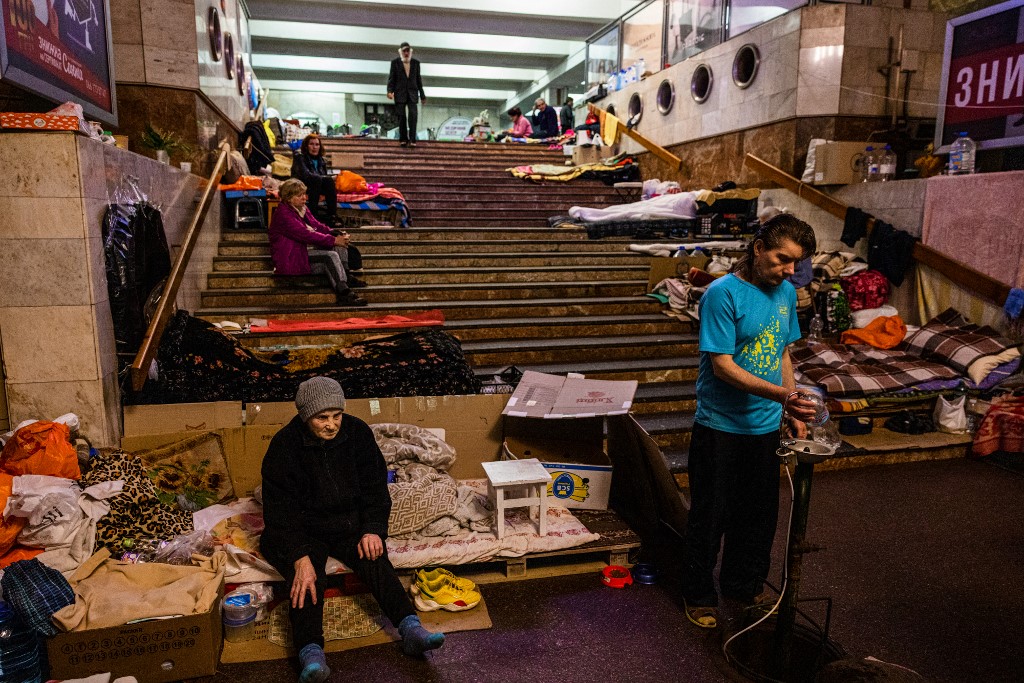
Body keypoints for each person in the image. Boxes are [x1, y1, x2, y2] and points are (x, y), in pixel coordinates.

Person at [679, 213, 819, 630]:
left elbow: (781, 352)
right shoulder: (722, 294)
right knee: (711, 516)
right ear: (758, 248)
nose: (789, 271)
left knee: (758, 518)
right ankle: (699, 593)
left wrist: (789, 408)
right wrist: (783, 396)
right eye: (781, 259)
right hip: (720, 428)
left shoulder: (786, 295)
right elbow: (721, 366)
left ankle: (743, 585)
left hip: (763, 428)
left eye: (796, 263)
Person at [261, 377, 445, 682]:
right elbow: (280, 510)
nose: (331, 424)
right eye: (322, 418)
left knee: (374, 557)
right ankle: (311, 654)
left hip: (347, 522)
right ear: (306, 416)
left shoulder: (358, 433)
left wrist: (372, 528)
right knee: (306, 578)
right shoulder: (284, 446)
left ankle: (411, 629)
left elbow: (375, 489)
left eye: (337, 415)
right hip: (303, 528)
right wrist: (298, 555)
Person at [268, 179, 367, 306]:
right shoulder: (283, 214)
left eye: (304, 194)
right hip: (292, 258)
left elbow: (316, 225)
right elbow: (305, 235)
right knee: (331, 255)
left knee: (338, 245)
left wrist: (334, 233)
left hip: (302, 251)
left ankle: (346, 276)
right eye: (299, 195)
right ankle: (344, 293)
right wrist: (334, 240)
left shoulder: (301, 208)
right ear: (288, 198)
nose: (304, 198)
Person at [290, 134, 336, 226]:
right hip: (302, 185)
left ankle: (332, 216)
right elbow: (305, 175)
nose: (314, 147)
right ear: (306, 146)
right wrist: (321, 178)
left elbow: (324, 177)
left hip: (316, 185)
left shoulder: (321, 160)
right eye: (311, 144)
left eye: (317, 144)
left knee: (329, 181)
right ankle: (313, 215)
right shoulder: (299, 157)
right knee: (317, 179)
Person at [387, 42, 426, 147]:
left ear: (410, 51)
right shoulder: (395, 63)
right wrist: (389, 91)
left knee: (413, 116)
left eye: (408, 51)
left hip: (412, 93)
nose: (406, 53)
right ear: (400, 52)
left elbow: (418, 80)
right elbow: (392, 78)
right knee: (402, 117)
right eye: (404, 51)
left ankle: (413, 139)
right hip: (400, 93)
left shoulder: (416, 63)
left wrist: (422, 95)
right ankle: (403, 139)